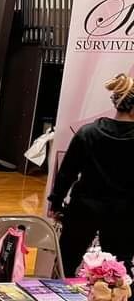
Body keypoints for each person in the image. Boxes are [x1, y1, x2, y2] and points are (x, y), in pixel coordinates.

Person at [48, 73, 134, 277]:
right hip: (124, 213)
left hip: (84, 209)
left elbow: (66, 174)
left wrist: (56, 203)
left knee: (65, 264)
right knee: (118, 272)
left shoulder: (87, 133)